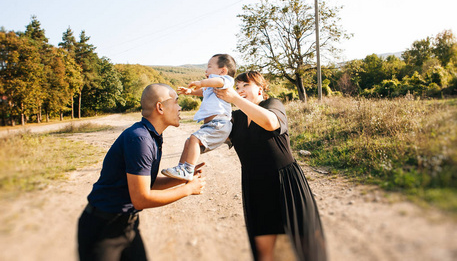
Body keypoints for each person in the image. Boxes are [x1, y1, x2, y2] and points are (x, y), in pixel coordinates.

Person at [77, 83, 206, 261]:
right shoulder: (140, 139)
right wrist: (188, 190)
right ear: (160, 107)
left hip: (127, 225)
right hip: (102, 229)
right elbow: (140, 198)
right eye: (176, 102)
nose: (180, 107)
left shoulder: (151, 136)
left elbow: (147, 183)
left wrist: (182, 180)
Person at [214, 71, 327, 261]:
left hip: (286, 184)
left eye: (245, 85)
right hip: (255, 187)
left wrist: (234, 97)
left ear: (261, 88)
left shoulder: (273, 105)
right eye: (237, 87)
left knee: (307, 248)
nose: (240, 90)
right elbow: (214, 136)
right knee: (264, 252)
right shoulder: (236, 118)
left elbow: (270, 122)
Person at [161, 54, 236, 181]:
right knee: (189, 141)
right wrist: (191, 92)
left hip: (220, 124)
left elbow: (217, 82)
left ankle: (188, 169)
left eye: (209, 67)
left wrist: (201, 83)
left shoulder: (225, 80)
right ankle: (181, 168)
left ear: (223, 71)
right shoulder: (211, 86)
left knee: (195, 138)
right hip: (212, 125)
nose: (206, 70)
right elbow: (203, 92)